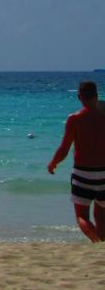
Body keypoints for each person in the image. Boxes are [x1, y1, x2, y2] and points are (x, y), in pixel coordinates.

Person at [47, 80, 105, 242]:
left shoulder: (75, 119)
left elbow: (64, 148)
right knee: (101, 215)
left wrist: (53, 163)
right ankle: (101, 247)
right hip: (104, 173)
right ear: (96, 96)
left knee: (81, 216)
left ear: (79, 96)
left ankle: (97, 242)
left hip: (83, 173)